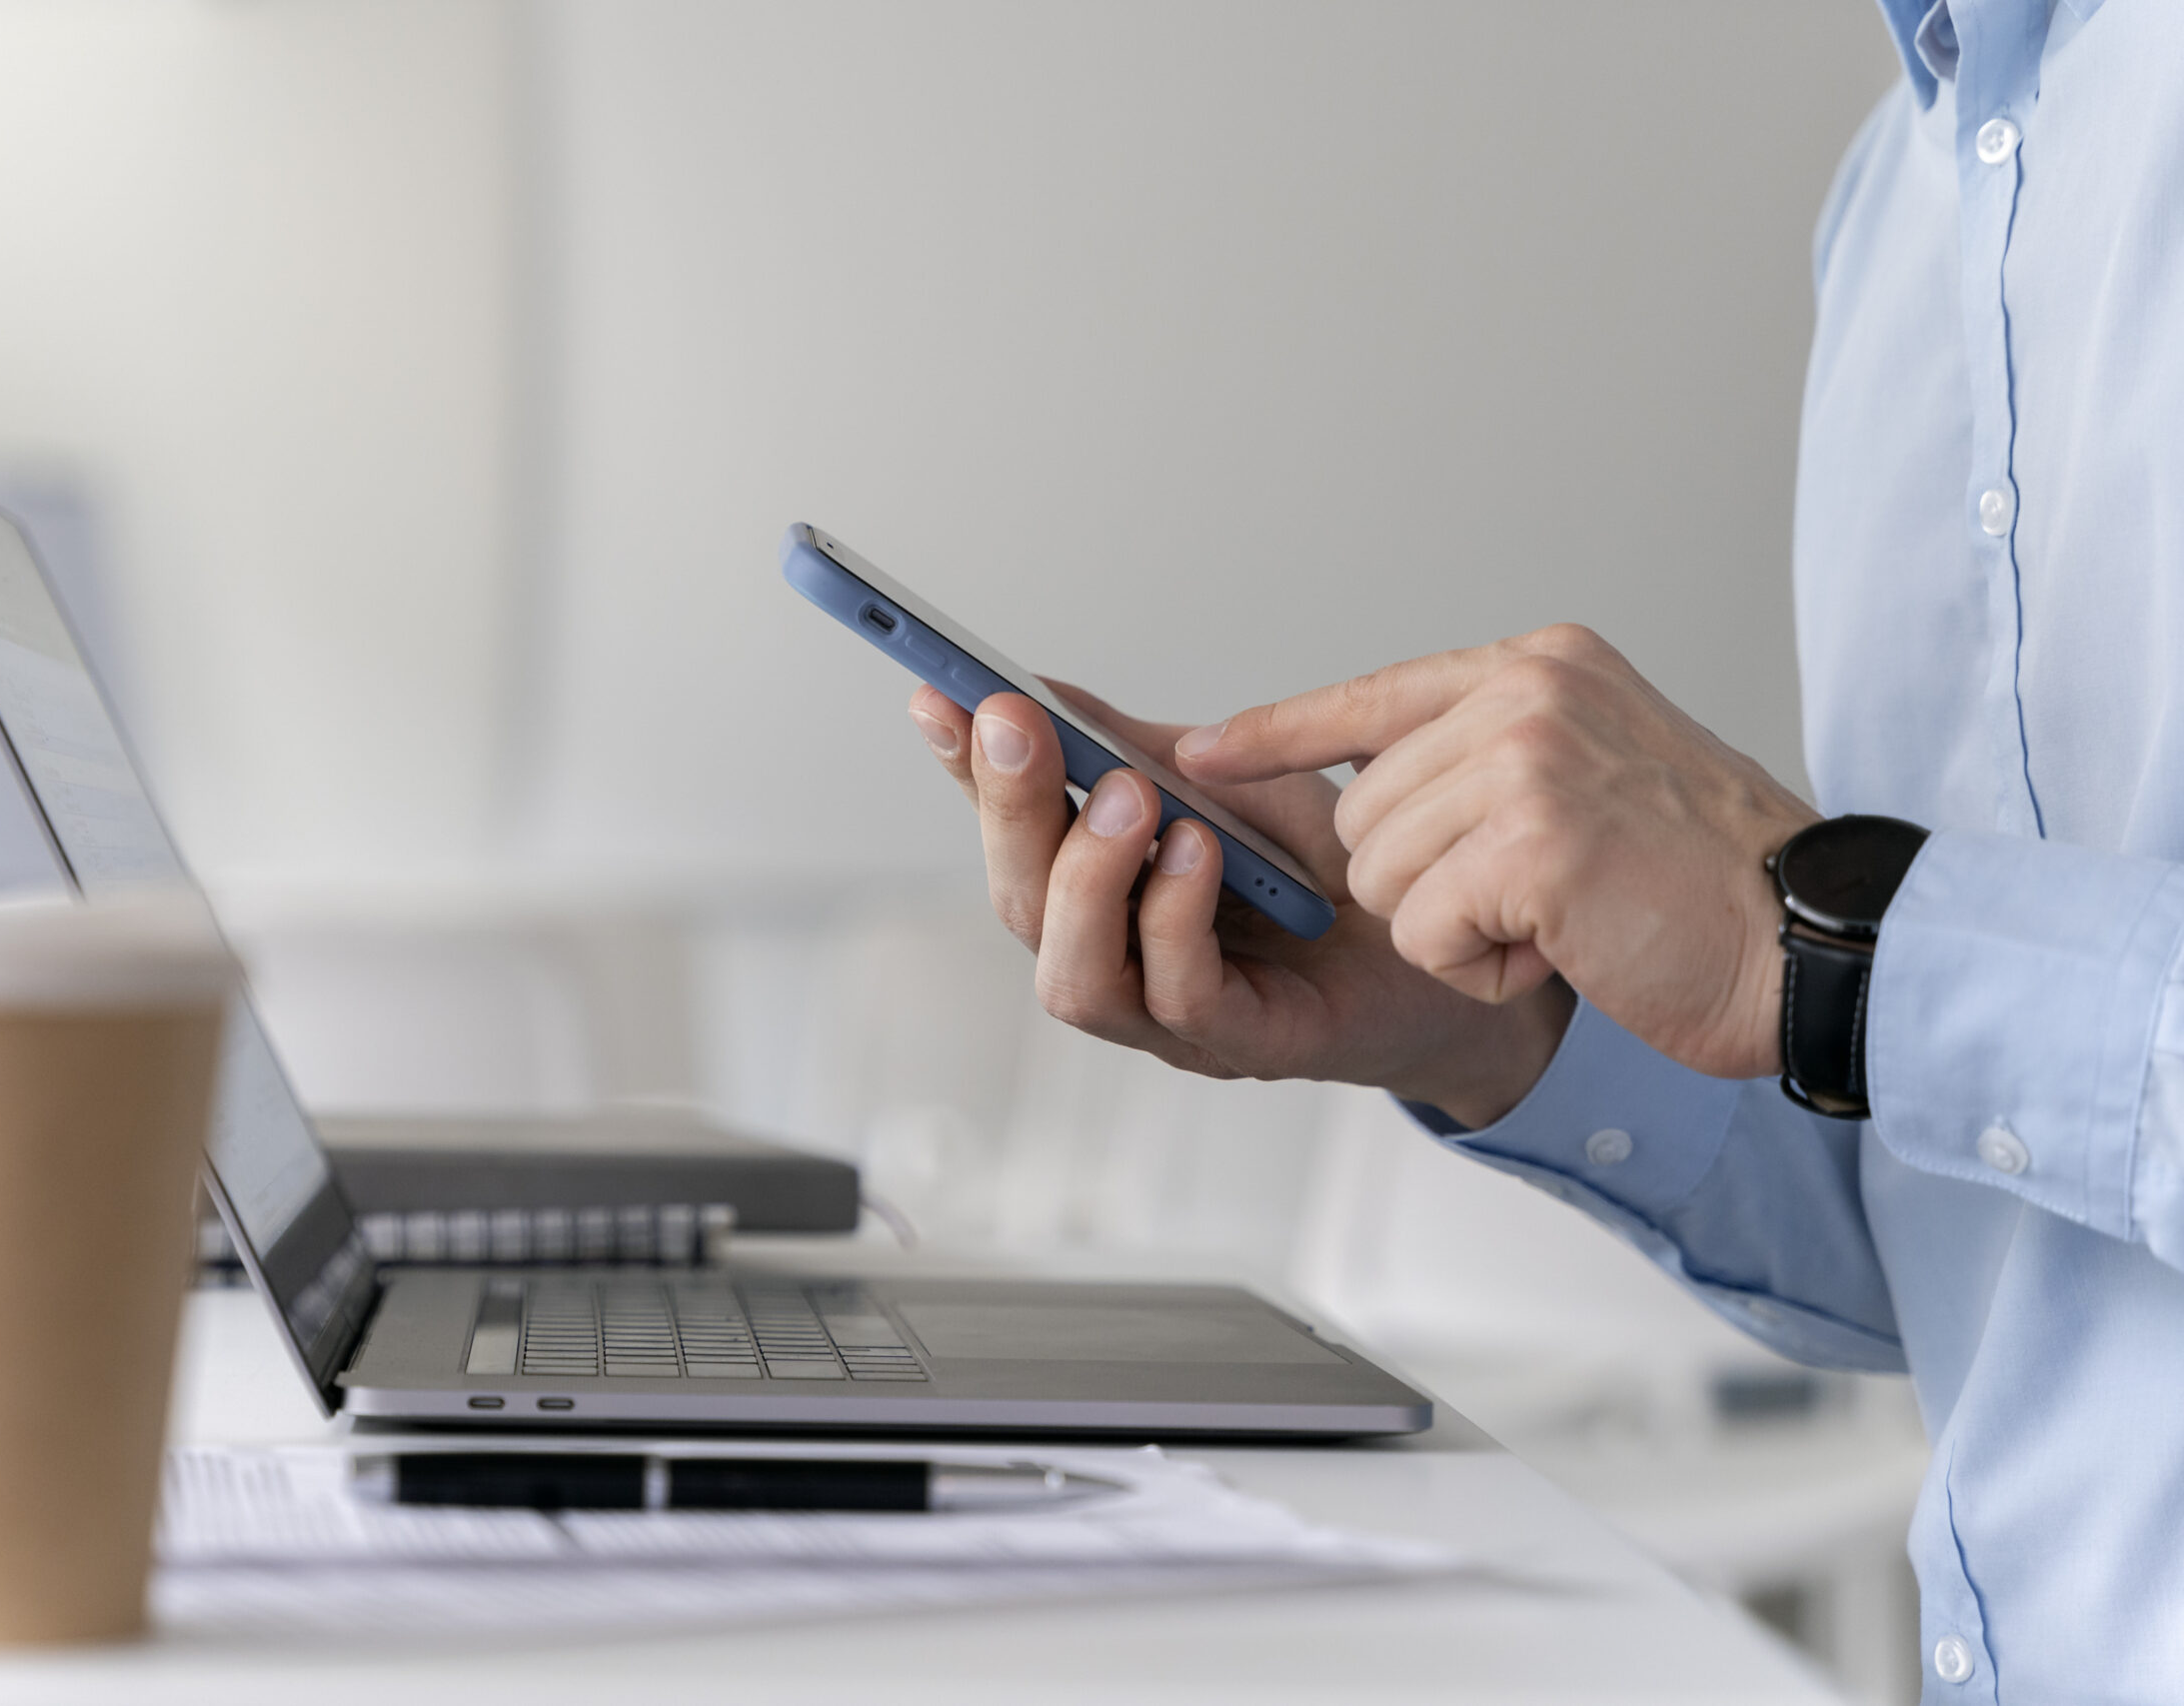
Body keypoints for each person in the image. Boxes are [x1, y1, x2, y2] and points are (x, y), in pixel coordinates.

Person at [906, 3, 2184, 1698]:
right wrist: (1486, 1019)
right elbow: (2013, 1238)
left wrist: (1838, 951)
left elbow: (1924, 1003)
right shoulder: (1898, 205)